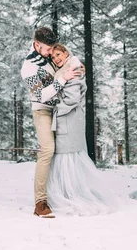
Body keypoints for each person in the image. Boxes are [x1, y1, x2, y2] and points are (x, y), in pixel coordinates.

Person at [47, 43, 119, 216]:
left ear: (65, 53)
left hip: (68, 119)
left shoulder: (72, 68)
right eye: (53, 57)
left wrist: (55, 109)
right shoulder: (69, 66)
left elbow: (71, 99)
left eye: (58, 55)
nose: (56, 59)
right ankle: (69, 192)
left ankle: (71, 194)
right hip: (70, 119)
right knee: (68, 157)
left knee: (67, 157)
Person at [20, 27, 81, 218]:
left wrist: (78, 67)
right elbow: (41, 95)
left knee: (65, 150)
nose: (50, 53)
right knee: (47, 149)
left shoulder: (50, 53)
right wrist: (63, 79)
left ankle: (63, 192)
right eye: (47, 49)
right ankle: (40, 201)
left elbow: (66, 59)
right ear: (37, 44)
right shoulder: (28, 67)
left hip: (61, 108)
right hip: (43, 110)